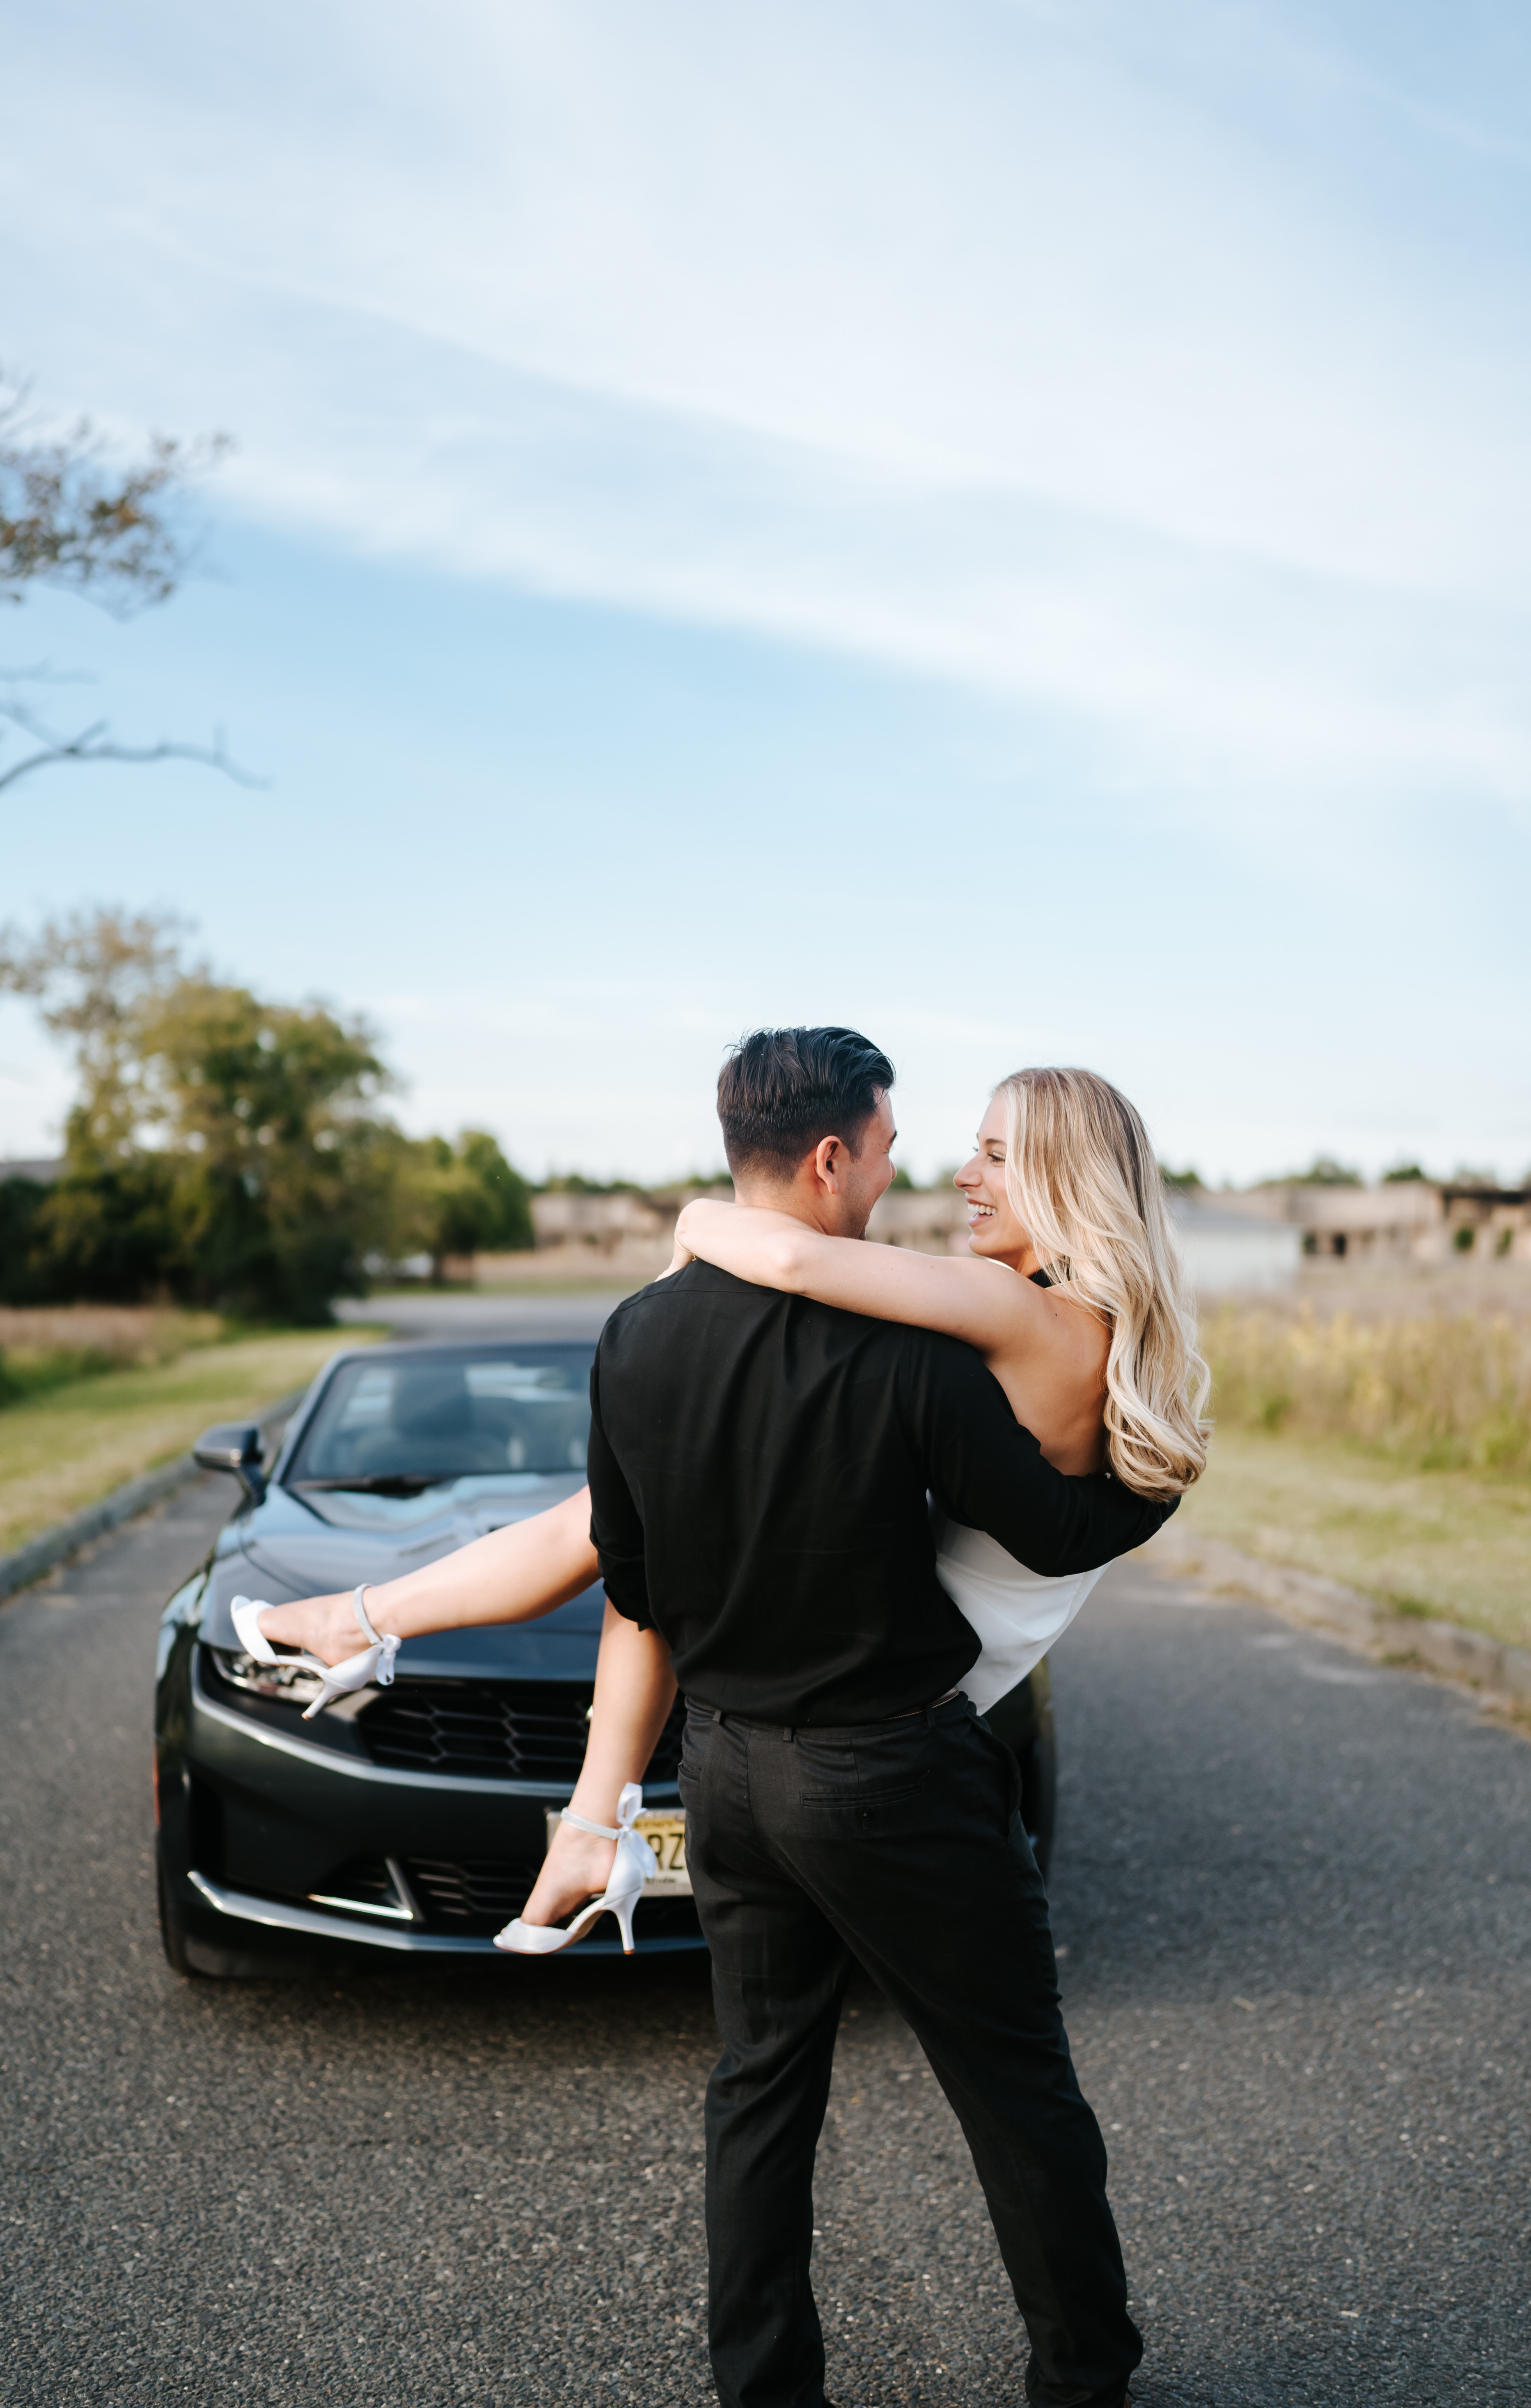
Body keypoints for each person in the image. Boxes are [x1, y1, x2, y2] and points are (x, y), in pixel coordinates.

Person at [250, 1029, 1202, 2408]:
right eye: (932, 1143)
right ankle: (1085, 2377)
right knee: (1016, 2094)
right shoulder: (1026, 1337)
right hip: (891, 1763)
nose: (949, 1169)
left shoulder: (986, 1321)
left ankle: (374, 1627)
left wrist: (702, 1219)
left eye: (993, 1152)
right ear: (834, 1155)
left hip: (737, 1766)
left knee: (761, 2090)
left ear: (1063, 1177)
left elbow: (804, 1265)